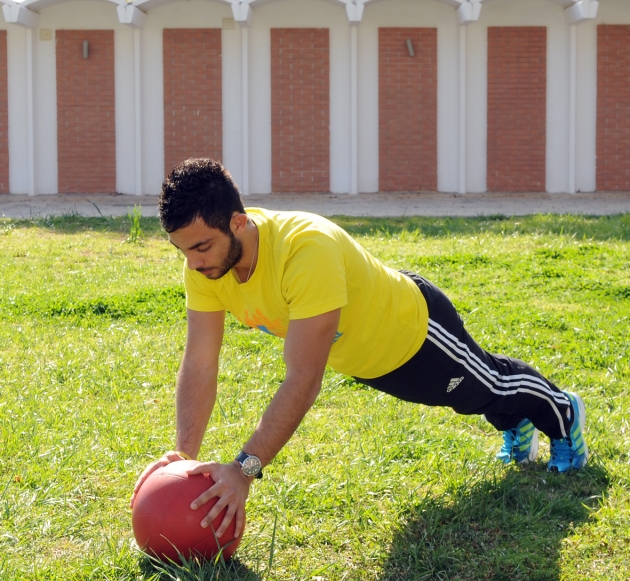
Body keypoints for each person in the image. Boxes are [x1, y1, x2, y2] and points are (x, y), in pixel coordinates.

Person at [130, 158, 588, 541]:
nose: (193, 262)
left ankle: (564, 414)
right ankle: (517, 424)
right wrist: (184, 456)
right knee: (469, 400)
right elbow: (201, 359)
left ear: (238, 222)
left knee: (487, 384)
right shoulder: (206, 267)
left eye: (202, 247)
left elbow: (303, 380)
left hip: (416, 333)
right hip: (368, 360)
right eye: (182, 250)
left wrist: (244, 469)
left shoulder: (305, 249)